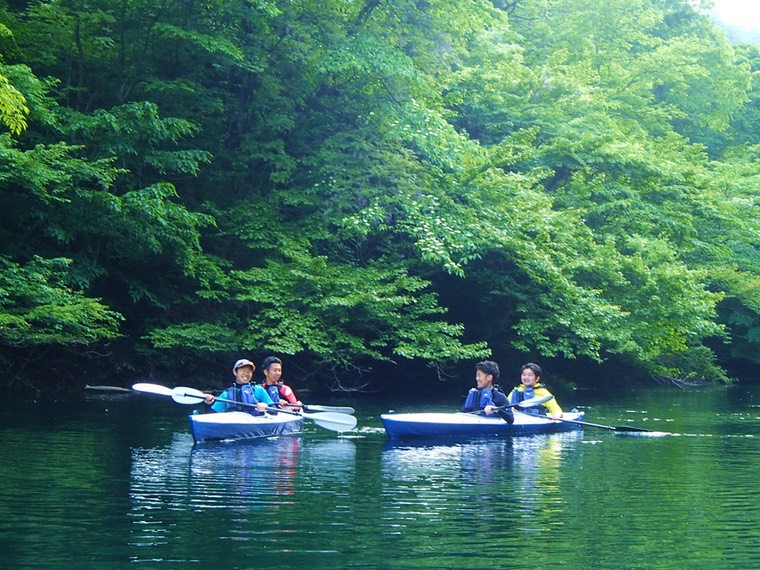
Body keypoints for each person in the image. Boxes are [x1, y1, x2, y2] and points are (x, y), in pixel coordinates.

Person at [203, 358, 274, 414]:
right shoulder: (226, 394)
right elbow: (212, 415)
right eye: (243, 370)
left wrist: (266, 408)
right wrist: (208, 403)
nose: (246, 373)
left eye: (249, 371)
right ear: (235, 372)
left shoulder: (259, 390)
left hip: (255, 428)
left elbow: (274, 411)